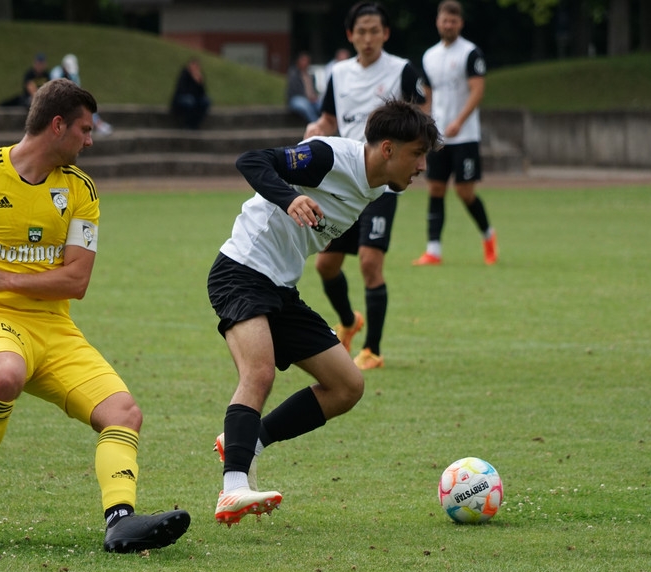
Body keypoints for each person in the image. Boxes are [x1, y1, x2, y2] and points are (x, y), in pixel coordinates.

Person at [0, 78, 190, 553]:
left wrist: (5, 277)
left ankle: (120, 521)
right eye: (85, 129)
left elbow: (76, 281)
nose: (90, 141)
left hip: (54, 329)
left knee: (124, 413)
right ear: (58, 125)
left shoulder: (81, 189)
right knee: (4, 376)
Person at [208, 100, 438, 526]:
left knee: (347, 386)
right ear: (388, 149)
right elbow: (251, 161)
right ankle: (233, 487)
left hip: (281, 286)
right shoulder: (328, 155)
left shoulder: (379, 188)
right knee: (259, 373)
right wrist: (290, 198)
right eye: (417, 154)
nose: (422, 166)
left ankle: (247, 440)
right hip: (241, 270)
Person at [304, 2, 427, 370]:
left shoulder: (402, 71)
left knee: (370, 263)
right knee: (325, 265)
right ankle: (348, 321)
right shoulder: (338, 73)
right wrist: (317, 129)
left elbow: (422, 119)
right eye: (361, 31)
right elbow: (329, 118)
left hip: (381, 184)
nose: (368, 38)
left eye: (375, 31)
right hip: (345, 181)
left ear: (386, 33)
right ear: (350, 35)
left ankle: (372, 349)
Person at [413, 0, 498, 267]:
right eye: (444, 20)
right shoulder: (429, 56)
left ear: (460, 23)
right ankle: (433, 250)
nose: (448, 25)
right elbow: (427, 94)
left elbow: (477, 90)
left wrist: (459, 121)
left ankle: (488, 236)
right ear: (438, 22)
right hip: (439, 137)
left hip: (465, 136)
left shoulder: (470, 53)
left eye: (453, 21)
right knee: (436, 188)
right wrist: (426, 122)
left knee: (464, 191)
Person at [48, 53, 113, 136]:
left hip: (69, 98)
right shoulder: (56, 73)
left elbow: (77, 88)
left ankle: (96, 124)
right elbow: (55, 91)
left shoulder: (73, 75)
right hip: (57, 99)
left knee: (87, 103)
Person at [170, 58, 210, 130]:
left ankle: (195, 124)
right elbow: (182, 90)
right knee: (189, 101)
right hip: (182, 98)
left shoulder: (199, 76)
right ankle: (187, 124)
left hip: (195, 98)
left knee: (206, 101)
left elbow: (203, 93)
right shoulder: (184, 74)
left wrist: (199, 83)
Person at [286, 51, 319, 123]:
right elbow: (294, 90)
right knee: (305, 106)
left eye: (306, 61)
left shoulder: (311, 75)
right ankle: (315, 124)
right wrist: (308, 97)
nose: (305, 63)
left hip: (311, 100)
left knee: (322, 105)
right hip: (297, 98)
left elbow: (314, 89)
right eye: (303, 60)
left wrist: (315, 96)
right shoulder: (294, 74)